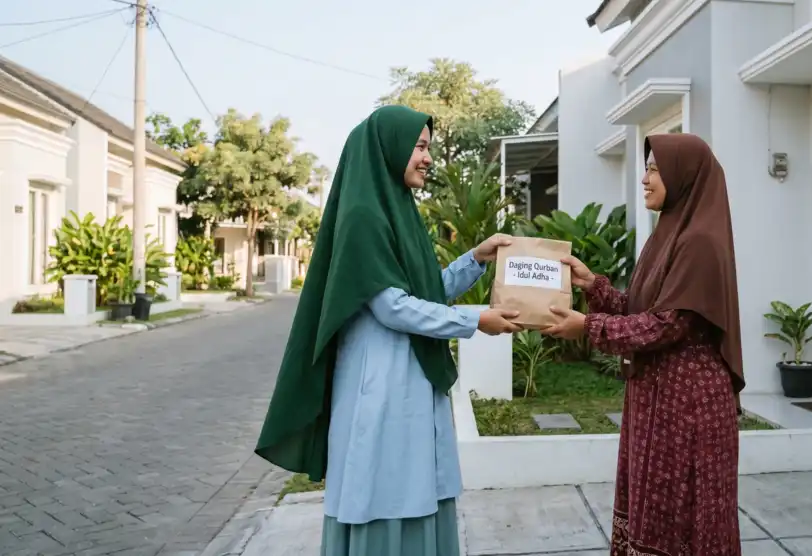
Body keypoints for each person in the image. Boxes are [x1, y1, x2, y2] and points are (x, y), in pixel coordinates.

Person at [254, 105, 520, 556]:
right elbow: (392, 306)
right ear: (389, 148)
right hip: (380, 386)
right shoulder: (363, 216)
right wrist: (476, 320)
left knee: (413, 485)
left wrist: (476, 258)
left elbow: (424, 290)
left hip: (407, 381)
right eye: (419, 147)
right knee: (387, 490)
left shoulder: (396, 210)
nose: (427, 158)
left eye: (428, 148)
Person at [541, 133, 744, 555]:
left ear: (683, 176)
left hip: (687, 406)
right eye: (647, 168)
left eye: (655, 169)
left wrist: (588, 327)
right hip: (657, 397)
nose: (646, 179)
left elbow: (666, 326)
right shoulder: (669, 234)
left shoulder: (700, 243)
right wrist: (593, 285)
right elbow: (640, 309)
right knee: (653, 512)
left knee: (679, 518)